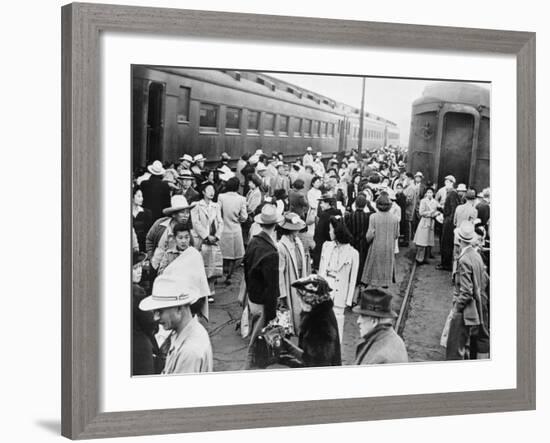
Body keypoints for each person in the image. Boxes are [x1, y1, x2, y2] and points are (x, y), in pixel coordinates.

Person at [139, 276, 213, 374]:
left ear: (179, 309)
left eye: (160, 311)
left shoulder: (189, 352)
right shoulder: (190, 331)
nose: (155, 318)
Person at [244, 204, 282, 369]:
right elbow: (271, 287)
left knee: (255, 337)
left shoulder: (253, 242)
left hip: (252, 298)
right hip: (262, 303)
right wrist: (272, 315)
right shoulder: (271, 252)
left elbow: (245, 269)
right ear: (275, 225)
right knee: (257, 344)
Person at [446, 222, 490, 360]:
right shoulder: (476, 255)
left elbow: (466, 292)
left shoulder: (464, 259)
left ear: (459, 240)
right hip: (477, 305)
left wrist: (456, 309)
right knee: (470, 341)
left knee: (455, 346)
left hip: (465, 310)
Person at [282, 275, 342, 367]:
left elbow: (316, 363)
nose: (299, 300)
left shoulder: (319, 322)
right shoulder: (319, 312)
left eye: (302, 297)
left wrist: (287, 359)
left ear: (311, 298)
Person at [318, 216, 359, 343]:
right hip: (325, 289)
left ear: (337, 231)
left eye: (331, 229)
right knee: (322, 323)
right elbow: (321, 269)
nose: (329, 232)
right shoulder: (326, 246)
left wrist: (349, 300)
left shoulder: (353, 253)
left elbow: (353, 279)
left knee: (337, 323)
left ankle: (336, 351)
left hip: (340, 292)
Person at [353, 287, 408, 365]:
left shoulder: (380, 358)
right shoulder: (391, 337)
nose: (358, 321)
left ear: (374, 321)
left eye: (362, 316)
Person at [191, 181, 224, 302]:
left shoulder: (216, 206)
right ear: (203, 192)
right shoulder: (196, 205)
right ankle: (200, 291)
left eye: (213, 190)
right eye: (209, 189)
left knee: (212, 264)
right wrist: (206, 236)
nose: (212, 192)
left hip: (213, 239)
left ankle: (210, 291)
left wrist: (217, 235)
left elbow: (220, 222)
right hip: (201, 239)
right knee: (201, 265)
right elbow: (195, 223)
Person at [277, 213, 308, 335]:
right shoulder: (281, 246)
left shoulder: (298, 241)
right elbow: (279, 272)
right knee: (291, 313)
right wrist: (282, 294)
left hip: (300, 279)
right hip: (289, 280)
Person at [361, 194, 400, 287]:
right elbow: (396, 234)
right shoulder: (395, 218)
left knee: (375, 265)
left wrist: (367, 241)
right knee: (387, 264)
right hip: (389, 245)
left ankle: (374, 282)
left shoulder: (373, 217)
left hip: (376, 245)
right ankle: (386, 281)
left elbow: (370, 234)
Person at [132, 250, 161, 375]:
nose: (139, 271)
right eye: (134, 268)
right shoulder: (136, 292)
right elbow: (150, 323)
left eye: (140, 266)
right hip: (139, 347)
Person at [150, 195, 195, 271]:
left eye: (187, 212)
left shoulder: (186, 230)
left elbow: (191, 246)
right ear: (174, 214)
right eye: (182, 212)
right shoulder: (161, 224)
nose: (186, 215)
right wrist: (150, 255)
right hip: (156, 264)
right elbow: (149, 239)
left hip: (176, 269)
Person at [218, 177, 248, 285]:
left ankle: (220, 275)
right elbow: (244, 216)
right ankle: (229, 275)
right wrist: (238, 219)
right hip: (235, 229)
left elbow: (218, 212)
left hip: (223, 228)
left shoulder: (221, 197)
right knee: (234, 256)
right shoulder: (241, 199)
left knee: (223, 254)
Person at [344, 194, 371, 285]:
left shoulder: (350, 216)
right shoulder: (368, 216)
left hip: (353, 242)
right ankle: (361, 279)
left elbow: (346, 229)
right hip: (363, 242)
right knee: (362, 261)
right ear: (365, 205)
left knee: (352, 261)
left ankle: (352, 279)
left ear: (355, 204)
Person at [311, 194, 341, 270]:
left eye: (322, 203)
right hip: (336, 245)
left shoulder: (324, 215)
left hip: (324, 246)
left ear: (328, 203)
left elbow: (318, 233)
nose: (320, 205)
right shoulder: (338, 213)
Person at [437, 181, 462, 271]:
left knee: (446, 243)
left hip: (448, 223)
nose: (445, 185)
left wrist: (449, 222)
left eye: (448, 183)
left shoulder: (452, 194)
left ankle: (446, 264)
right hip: (448, 220)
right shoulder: (451, 193)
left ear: (452, 184)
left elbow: (453, 209)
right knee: (445, 243)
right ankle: (445, 263)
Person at [413, 187, 439, 264]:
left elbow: (437, 210)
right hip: (424, 221)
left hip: (431, 222)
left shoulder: (435, 202)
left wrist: (436, 213)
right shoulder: (423, 201)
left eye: (431, 192)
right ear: (426, 193)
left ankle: (426, 258)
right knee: (422, 241)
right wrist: (431, 213)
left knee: (429, 241)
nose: (429, 194)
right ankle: (419, 258)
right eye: (428, 192)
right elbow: (421, 212)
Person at [132, 186, 153, 253]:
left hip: (143, 248)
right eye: (139, 196)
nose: (142, 199)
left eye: (142, 196)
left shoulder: (147, 213)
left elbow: (150, 233)